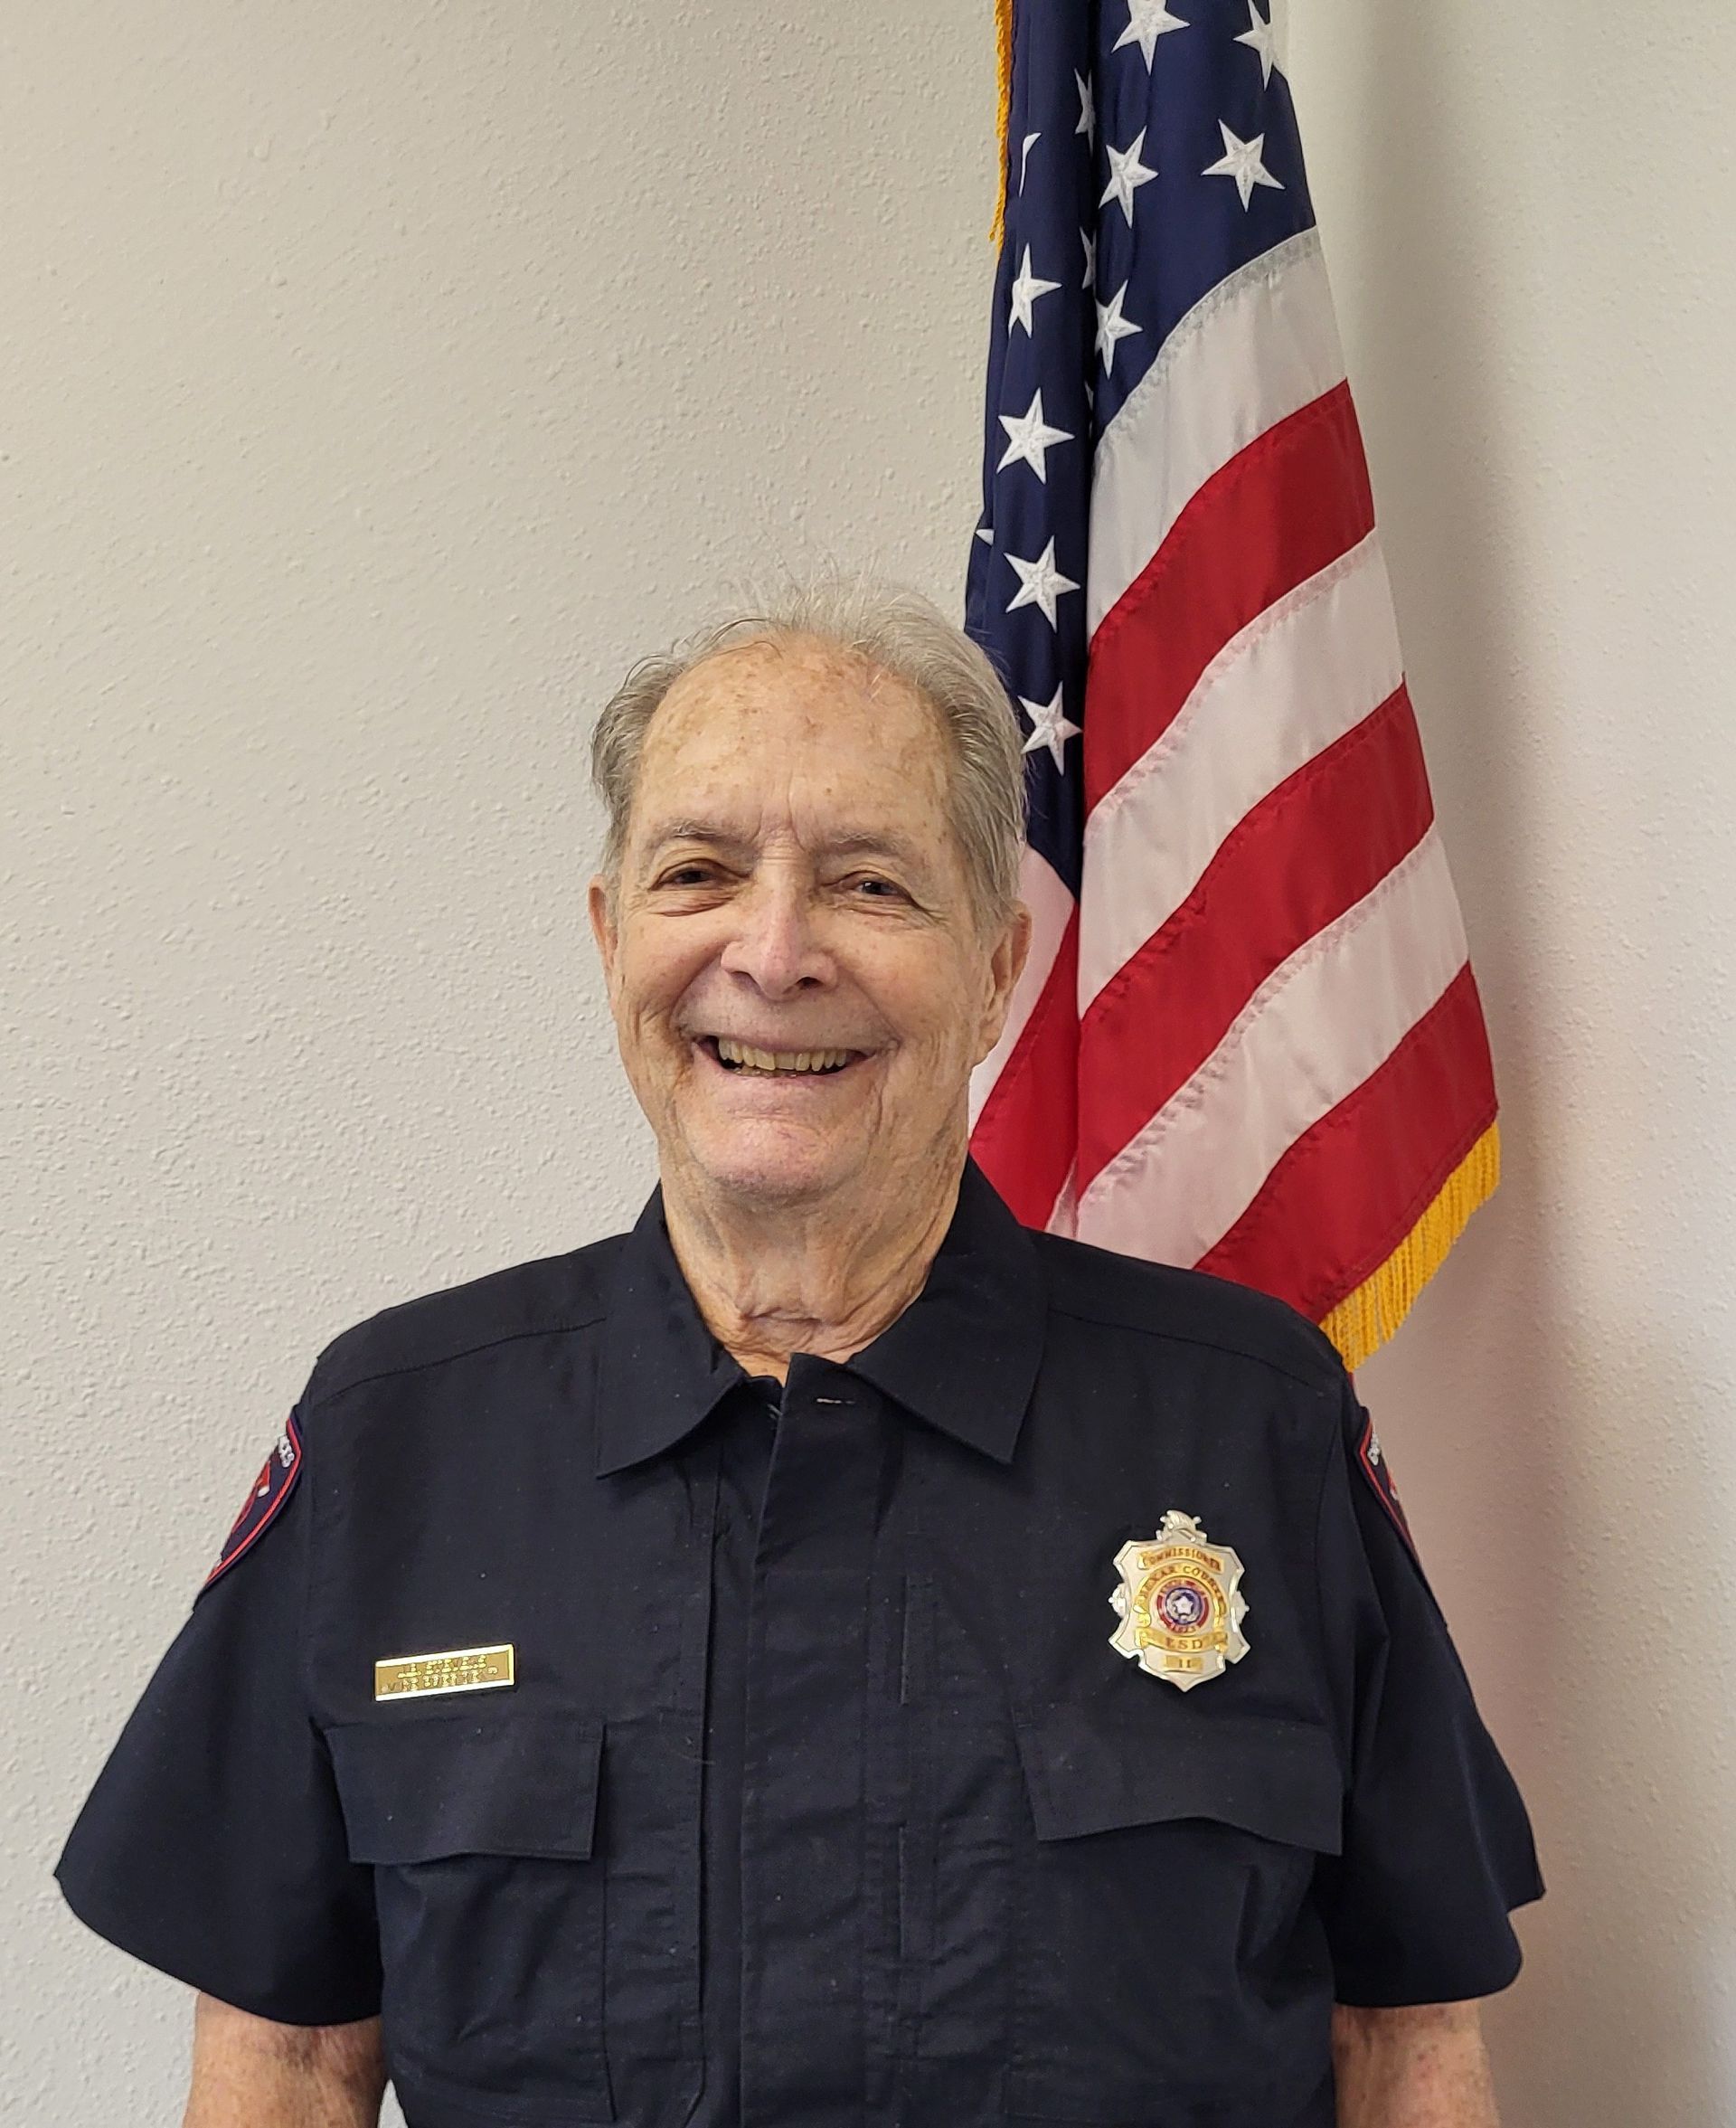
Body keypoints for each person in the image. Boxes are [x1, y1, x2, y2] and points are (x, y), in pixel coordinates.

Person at [57, 577, 1542, 2128]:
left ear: (993, 970)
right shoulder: (397, 1441)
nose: (772, 953)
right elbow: (288, 2063)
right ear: (609, 934)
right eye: (698, 871)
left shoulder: (1251, 1422)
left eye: (871, 885)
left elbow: (1403, 2041)